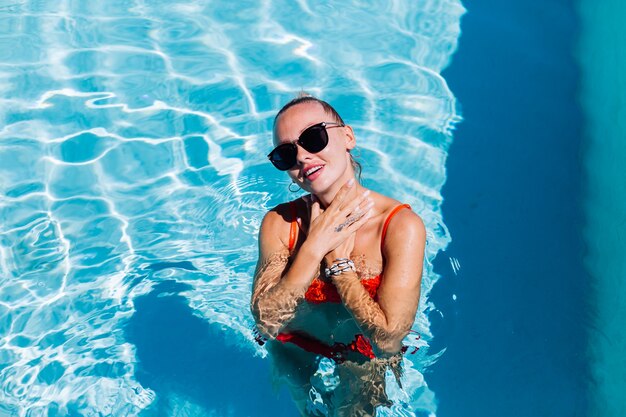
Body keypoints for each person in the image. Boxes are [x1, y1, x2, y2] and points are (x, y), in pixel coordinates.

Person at [251, 94, 426, 416]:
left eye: (313, 138)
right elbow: (266, 322)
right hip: (294, 345)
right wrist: (314, 246)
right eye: (286, 154)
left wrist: (338, 266)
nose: (303, 157)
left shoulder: (400, 226)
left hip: (361, 354)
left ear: (347, 136)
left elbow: (387, 341)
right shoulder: (281, 223)